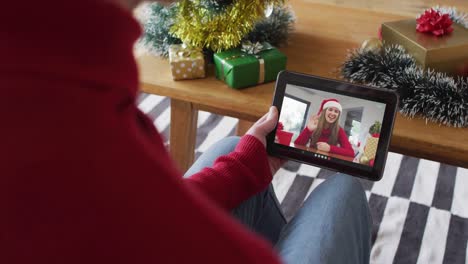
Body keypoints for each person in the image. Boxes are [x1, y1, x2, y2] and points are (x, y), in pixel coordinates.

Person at [1, 1, 371, 263]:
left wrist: (244, 168)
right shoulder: (82, 145)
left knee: (234, 148)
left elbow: (140, 221)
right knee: (344, 192)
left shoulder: (52, 85)